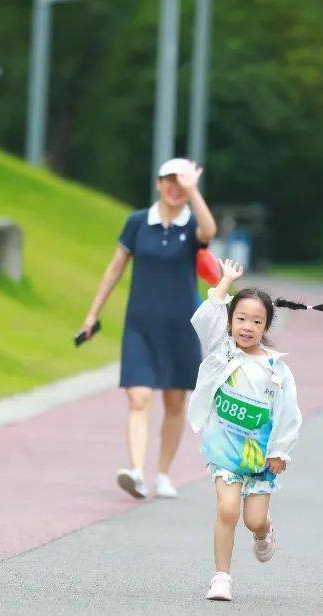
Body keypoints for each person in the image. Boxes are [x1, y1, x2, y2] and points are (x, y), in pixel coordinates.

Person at [188, 259, 323, 601]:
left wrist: (280, 452)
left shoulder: (275, 370)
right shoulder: (223, 353)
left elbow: (288, 413)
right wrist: (224, 282)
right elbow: (205, 317)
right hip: (225, 451)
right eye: (240, 319)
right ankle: (221, 577)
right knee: (227, 510)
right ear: (230, 321)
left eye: (256, 321)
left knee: (253, 520)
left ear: (266, 325)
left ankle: (264, 531)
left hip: (260, 457)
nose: (247, 327)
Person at [81, 158, 217, 500]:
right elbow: (113, 271)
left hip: (182, 327)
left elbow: (209, 232)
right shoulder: (138, 222)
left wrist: (193, 191)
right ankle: (137, 472)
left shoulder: (191, 227)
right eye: (168, 181)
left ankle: (164, 474)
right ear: (158, 183)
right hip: (140, 325)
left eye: (181, 183)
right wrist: (91, 314)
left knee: (174, 400)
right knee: (138, 397)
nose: (174, 187)